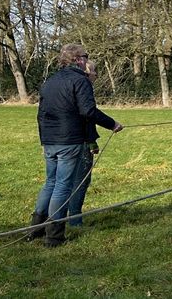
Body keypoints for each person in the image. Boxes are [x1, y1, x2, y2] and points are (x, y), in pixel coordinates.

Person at [30, 44, 123, 247]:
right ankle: (54, 236)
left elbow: (40, 115)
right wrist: (112, 124)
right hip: (69, 140)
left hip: (50, 139)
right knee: (62, 185)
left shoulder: (49, 81)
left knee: (50, 182)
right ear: (78, 59)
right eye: (85, 56)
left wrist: (43, 140)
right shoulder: (80, 80)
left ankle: (35, 229)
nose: (86, 60)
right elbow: (88, 111)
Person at [66, 60, 102, 227]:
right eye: (94, 71)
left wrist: (93, 140)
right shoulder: (83, 86)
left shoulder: (68, 85)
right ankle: (75, 220)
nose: (96, 75)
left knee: (62, 181)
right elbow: (87, 116)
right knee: (80, 180)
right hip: (79, 141)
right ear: (87, 73)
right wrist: (112, 124)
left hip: (63, 140)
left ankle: (51, 220)